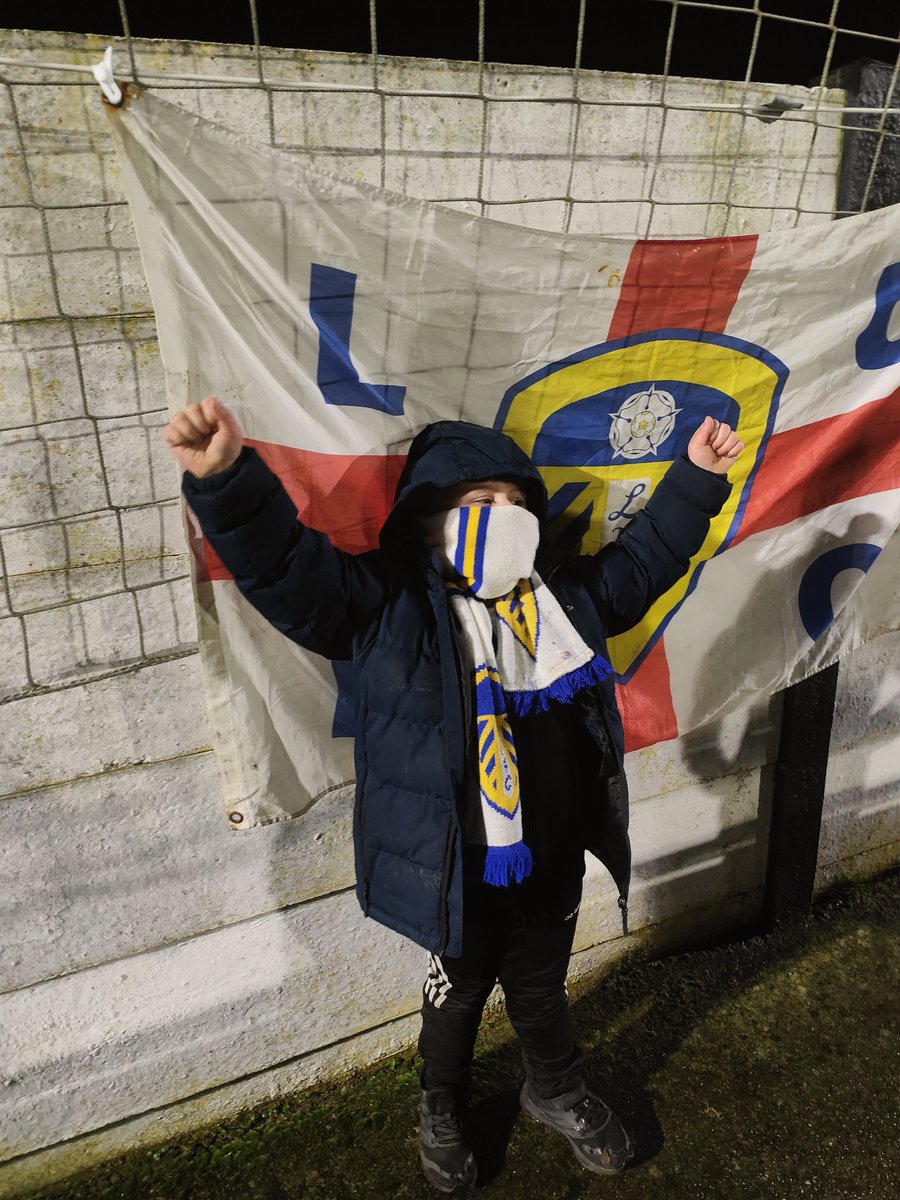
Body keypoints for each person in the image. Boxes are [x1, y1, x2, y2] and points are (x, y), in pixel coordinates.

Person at [163, 397, 742, 1192]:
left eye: (515, 501)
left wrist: (697, 477)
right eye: (479, 501)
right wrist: (228, 480)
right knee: (457, 994)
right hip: (453, 867)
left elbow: (643, 564)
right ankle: (440, 1106)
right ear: (430, 517)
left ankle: (556, 1089)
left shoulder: (563, 596)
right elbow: (291, 572)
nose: (502, 514)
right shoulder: (386, 602)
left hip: (553, 852)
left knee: (541, 985)